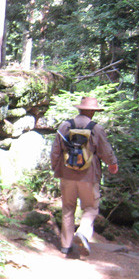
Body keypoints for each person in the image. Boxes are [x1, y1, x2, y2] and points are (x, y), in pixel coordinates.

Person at [50, 97, 119, 259]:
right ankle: (82, 233)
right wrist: (112, 163)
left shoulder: (64, 126)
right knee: (90, 208)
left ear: (79, 109)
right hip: (89, 176)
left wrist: (56, 168)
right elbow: (105, 151)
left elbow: (55, 151)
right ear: (93, 111)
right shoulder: (96, 129)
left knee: (68, 209)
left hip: (67, 175)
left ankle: (65, 246)